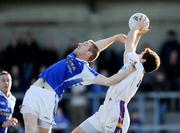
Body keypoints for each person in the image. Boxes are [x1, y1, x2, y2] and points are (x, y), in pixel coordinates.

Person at [20, 34, 136, 133]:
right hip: (34, 91)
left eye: (84, 44)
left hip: (49, 97)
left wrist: (129, 69)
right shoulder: (73, 55)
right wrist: (114, 38)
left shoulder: (85, 71)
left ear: (88, 55)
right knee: (29, 129)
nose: (80, 43)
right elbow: (95, 48)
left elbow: (108, 80)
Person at [72, 16, 160, 133]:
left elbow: (129, 45)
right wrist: (138, 34)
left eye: (142, 53)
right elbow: (129, 48)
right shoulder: (134, 66)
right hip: (105, 109)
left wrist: (136, 28)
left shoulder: (137, 65)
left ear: (143, 60)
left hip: (117, 112)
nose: (139, 53)